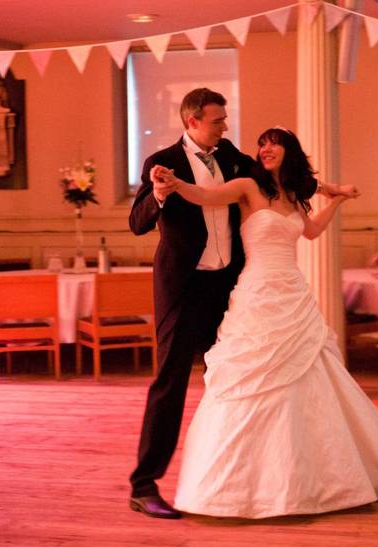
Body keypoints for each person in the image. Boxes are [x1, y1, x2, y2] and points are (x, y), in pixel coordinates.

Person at [148, 127, 378, 518]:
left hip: (292, 293)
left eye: (275, 142)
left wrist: (336, 200)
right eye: (263, 143)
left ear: (288, 152)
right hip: (258, 292)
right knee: (253, 377)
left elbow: (310, 231)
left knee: (311, 375)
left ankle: (323, 477)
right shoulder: (247, 187)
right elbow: (205, 196)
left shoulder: (294, 196)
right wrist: (174, 184)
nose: (266, 148)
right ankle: (243, 487)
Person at [127, 88, 255, 519]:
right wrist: (161, 194)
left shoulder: (232, 157)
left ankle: (231, 476)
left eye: (224, 119)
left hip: (228, 287)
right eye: (218, 120)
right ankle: (144, 485)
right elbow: (138, 222)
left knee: (235, 377)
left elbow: (272, 183)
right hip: (183, 288)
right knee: (171, 381)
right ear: (192, 122)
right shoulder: (163, 163)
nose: (225, 125)